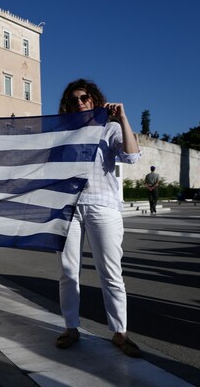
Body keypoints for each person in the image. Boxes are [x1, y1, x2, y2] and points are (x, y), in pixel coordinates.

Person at [55, 79, 142, 357]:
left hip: (102, 207)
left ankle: (120, 332)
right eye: (73, 100)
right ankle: (71, 327)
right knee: (68, 272)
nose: (79, 103)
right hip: (69, 207)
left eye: (83, 98)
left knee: (111, 272)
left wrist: (123, 118)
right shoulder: (63, 132)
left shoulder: (110, 128)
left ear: (94, 99)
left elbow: (131, 156)